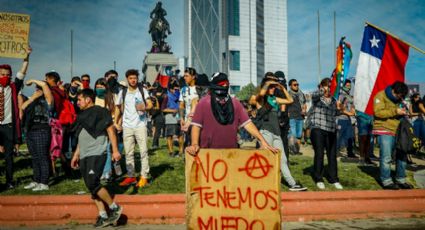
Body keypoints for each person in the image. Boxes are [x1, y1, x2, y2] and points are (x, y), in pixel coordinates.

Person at [186, 72, 276, 155]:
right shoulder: (203, 103)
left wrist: (263, 141)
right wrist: (194, 144)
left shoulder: (235, 103)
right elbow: (196, 126)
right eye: (222, 84)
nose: (225, 86)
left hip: (231, 154)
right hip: (208, 153)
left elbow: (248, 123)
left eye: (226, 84)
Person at [71, 89, 123, 227]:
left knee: (93, 182)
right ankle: (103, 215)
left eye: (79, 99)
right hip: (84, 153)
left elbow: (111, 130)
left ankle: (114, 208)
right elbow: (81, 135)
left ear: (88, 99)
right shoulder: (82, 116)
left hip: (97, 152)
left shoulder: (100, 111)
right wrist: (76, 154)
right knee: (90, 185)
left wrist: (115, 150)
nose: (77, 103)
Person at [254, 72, 307, 191]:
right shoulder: (260, 99)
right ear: (266, 85)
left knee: (283, 159)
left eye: (274, 86)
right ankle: (261, 186)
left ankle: (292, 184)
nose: (273, 88)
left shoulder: (274, 99)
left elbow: (290, 100)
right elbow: (261, 93)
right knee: (264, 159)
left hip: (276, 134)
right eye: (271, 86)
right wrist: (269, 83)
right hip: (265, 133)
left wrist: (281, 87)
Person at [0, 47, 31, 189]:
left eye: (7, 75)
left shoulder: (13, 87)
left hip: (8, 126)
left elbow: (22, 72)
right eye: (2, 74)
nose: (5, 76)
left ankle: (9, 181)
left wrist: (26, 57)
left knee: (8, 156)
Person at [115, 69, 152, 188]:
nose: (133, 80)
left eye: (135, 78)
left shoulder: (143, 90)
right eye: (130, 78)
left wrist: (145, 107)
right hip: (127, 126)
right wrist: (116, 122)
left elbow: (150, 104)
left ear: (137, 78)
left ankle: (144, 176)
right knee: (129, 153)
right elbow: (117, 107)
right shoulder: (123, 92)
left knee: (143, 152)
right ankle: (131, 176)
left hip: (140, 125)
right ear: (127, 79)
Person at [373, 81, 413, 190]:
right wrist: (396, 111)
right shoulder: (380, 95)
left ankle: (401, 179)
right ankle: (386, 181)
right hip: (384, 129)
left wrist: (405, 111)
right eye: (399, 95)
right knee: (386, 157)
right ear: (394, 91)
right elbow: (378, 112)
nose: (400, 97)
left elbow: (403, 111)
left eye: (402, 96)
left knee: (402, 155)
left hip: (398, 130)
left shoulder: (400, 99)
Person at [310, 78, 343, 190]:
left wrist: (339, 108)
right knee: (319, 154)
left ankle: (333, 178)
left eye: (331, 86)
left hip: (331, 130)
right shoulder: (317, 98)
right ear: (322, 86)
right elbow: (314, 95)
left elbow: (336, 114)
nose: (329, 88)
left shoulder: (334, 100)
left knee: (332, 155)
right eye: (327, 86)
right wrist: (323, 89)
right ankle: (318, 178)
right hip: (318, 129)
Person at [21, 79, 54, 191]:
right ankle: (36, 180)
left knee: (42, 157)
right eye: (36, 88)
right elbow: (23, 107)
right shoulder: (33, 100)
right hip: (30, 131)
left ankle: (44, 183)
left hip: (42, 131)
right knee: (35, 158)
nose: (37, 90)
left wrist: (33, 80)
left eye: (39, 88)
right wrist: (32, 98)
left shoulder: (48, 100)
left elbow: (44, 84)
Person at [336, 79, 357, 158]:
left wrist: (353, 110)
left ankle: (350, 152)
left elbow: (352, 106)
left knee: (350, 136)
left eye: (350, 86)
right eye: (347, 85)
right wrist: (349, 113)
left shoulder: (350, 96)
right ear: (343, 85)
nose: (348, 87)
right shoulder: (341, 95)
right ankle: (336, 151)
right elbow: (339, 107)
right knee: (339, 136)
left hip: (349, 119)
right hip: (341, 119)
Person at [163, 78, 184, 157]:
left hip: (179, 117)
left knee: (180, 135)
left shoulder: (181, 95)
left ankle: (181, 151)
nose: (176, 91)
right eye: (175, 89)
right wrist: (172, 111)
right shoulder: (166, 96)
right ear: (170, 89)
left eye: (178, 89)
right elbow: (163, 109)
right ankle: (171, 152)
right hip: (169, 118)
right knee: (169, 135)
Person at [287, 79, 307, 155]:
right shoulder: (288, 94)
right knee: (293, 134)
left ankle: (297, 150)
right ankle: (292, 150)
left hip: (300, 116)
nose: (296, 86)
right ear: (290, 86)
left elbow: (304, 103)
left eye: (297, 84)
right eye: (294, 85)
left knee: (299, 135)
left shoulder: (301, 94)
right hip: (292, 116)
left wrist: (304, 110)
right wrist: (287, 114)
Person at [179, 67, 198, 146]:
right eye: (184, 76)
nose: (184, 78)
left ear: (193, 77)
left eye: (187, 76)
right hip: (187, 121)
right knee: (188, 142)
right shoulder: (183, 90)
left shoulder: (200, 89)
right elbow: (181, 105)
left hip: (197, 121)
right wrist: (181, 118)